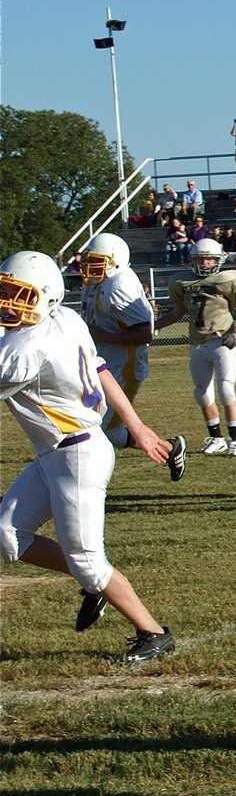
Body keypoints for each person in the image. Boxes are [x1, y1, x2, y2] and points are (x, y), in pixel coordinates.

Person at [0, 251, 176, 662]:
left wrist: (136, 427)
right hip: (60, 451)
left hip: (75, 455)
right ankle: (95, 585)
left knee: (88, 559)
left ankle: (153, 632)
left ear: (46, 297)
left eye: (18, 294)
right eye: (5, 291)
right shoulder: (66, 319)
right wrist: (137, 426)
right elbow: (100, 369)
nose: (8, 301)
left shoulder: (24, 349)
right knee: (7, 534)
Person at [78, 233, 188, 480]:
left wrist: (99, 336)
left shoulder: (119, 286)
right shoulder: (97, 283)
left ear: (115, 261)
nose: (89, 266)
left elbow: (144, 335)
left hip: (122, 367)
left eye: (97, 261)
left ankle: (89, 480)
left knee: (103, 430)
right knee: (98, 427)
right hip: (99, 364)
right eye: (89, 260)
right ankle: (171, 448)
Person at [154, 238, 236, 456]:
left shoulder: (228, 280)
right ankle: (216, 437)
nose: (205, 263)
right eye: (200, 258)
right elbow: (176, 313)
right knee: (201, 393)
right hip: (197, 343)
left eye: (209, 258)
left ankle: (235, 440)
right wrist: (154, 326)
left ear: (218, 259)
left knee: (227, 389)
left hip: (221, 341)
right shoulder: (182, 282)